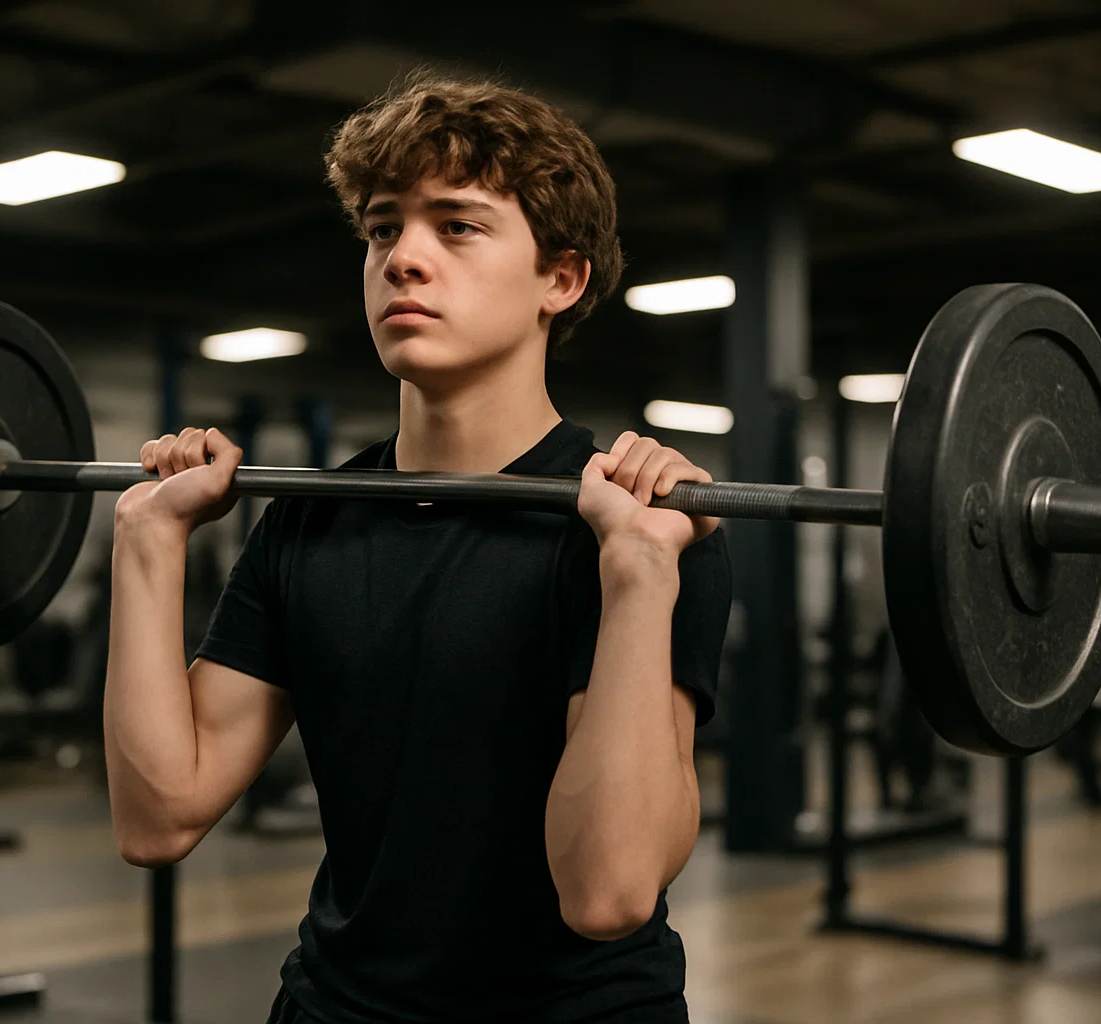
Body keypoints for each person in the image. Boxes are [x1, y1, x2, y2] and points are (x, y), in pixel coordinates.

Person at [103, 72, 733, 1024]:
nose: (404, 258)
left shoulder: (642, 529)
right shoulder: (309, 523)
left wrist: (641, 577)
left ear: (560, 279)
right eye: (384, 227)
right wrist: (146, 542)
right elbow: (159, 815)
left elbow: (608, 894)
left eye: (459, 225)